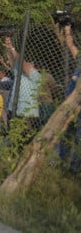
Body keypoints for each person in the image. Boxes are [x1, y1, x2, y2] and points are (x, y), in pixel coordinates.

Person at [4, 37, 41, 143]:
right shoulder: (19, 72)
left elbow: (22, 63)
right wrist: (8, 48)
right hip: (13, 110)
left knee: (25, 141)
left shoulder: (36, 75)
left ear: (34, 65)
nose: (27, 63)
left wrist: (13, 48)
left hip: (27, 114)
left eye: (30, 62)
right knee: (13, 138)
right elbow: (12, 62)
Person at [58, 24, 81, 173]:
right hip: (69, 104)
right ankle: (62, 163)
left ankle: (74, 168)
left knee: (79, 138)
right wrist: (67, 30)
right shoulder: (80, 61)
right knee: (65, 133)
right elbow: (70, 45)